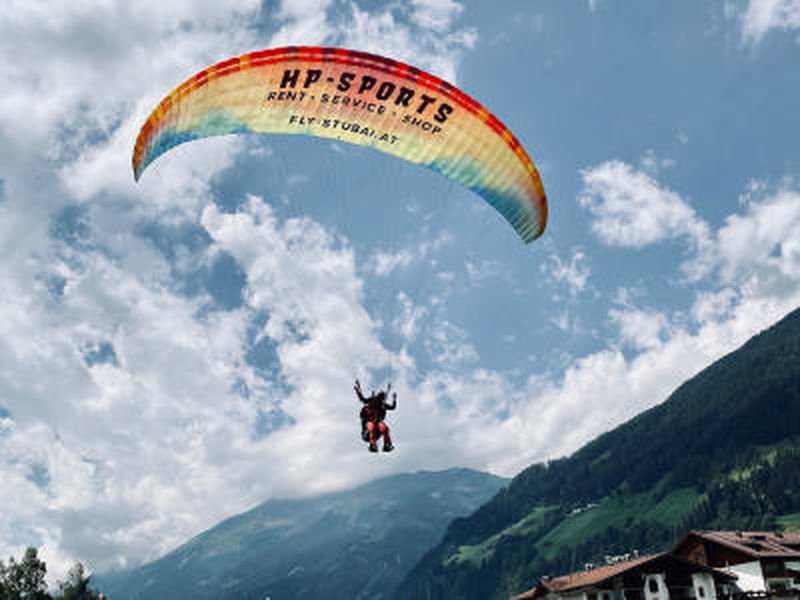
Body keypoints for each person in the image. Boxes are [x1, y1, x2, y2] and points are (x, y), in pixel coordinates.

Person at [354, 379, 397, 452]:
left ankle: (387, 445)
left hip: (377, 427)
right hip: (367, 429)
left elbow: (392, 407)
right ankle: (373, 444)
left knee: (385, 428)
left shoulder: (382, 405)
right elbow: (362, 399)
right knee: (372, 426)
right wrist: (358, 389)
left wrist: (394, 399)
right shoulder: (372, 401)